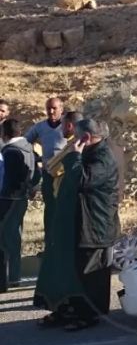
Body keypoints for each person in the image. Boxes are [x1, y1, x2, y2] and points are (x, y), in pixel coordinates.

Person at [34, 118, 120, 331]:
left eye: (76, 138)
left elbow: (82, 179)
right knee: (73, 271)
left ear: (86, 138)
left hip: (95, 226)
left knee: (91, 274)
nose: (72, 142)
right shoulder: (90, 153)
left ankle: (89, 315)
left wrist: (74, 156)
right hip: (80, 222)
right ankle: (68, 309)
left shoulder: (103, 158)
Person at [0, 119, 36, 292]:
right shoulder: (28, 148)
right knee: (15, 236)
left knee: (6, 239)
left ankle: (7, 278)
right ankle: (14, 276)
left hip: (8, 199)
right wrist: (31, 187)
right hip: (21, 199)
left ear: (4, 134)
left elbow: (7, 178)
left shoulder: (9, 152)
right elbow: (35, 172)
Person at [25, 97, 66, 243]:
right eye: (49, 108)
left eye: (54, 108)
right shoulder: (40, 127)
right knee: (50, 208)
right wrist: (34, 157)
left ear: (61, 109)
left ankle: (63, 243)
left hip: (65, 174)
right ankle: (49, 243)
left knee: (65, 207)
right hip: (48, 173)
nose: (51, 111)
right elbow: (26, 141)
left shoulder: (68, 126)